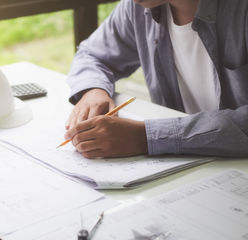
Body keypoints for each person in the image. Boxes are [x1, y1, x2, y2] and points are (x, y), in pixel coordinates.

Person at [65, 0, 248, 159]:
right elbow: (92, 55)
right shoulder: (136, 9)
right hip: (192, 172)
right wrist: (93, 91)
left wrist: (146, 137)